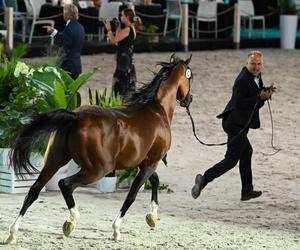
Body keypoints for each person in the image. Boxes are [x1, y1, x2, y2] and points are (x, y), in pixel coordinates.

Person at [192, 51, 276, 201]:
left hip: (240, 123)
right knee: (231, 159)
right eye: (253, 64)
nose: (256, 67)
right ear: (246, 64)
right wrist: (259, 97)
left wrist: (264, 96)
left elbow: (253, 101)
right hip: (234, 123)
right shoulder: (242, 80)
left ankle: (247, 191)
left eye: (258, 64)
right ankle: (204, 179)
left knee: (247, 152)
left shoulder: (256, 77)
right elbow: (239, 104)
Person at [104, 8, 141, 99]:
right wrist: (117, 28)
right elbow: (118, 41)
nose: (120, 17)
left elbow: (113, 40)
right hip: (126, 60)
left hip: (124, 61)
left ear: (127, 17)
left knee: (120, 83)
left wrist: (108, 29)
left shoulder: (128, 29)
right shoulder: (131, 28)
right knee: (124, 83)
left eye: (122, 15)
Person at [44, 4, 85, 80]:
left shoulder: (68, 28)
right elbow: (67, 40)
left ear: (66, 14)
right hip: (77, 64)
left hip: (68, 66)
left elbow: (64, 46)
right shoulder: (80, 27)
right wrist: (53, 32)